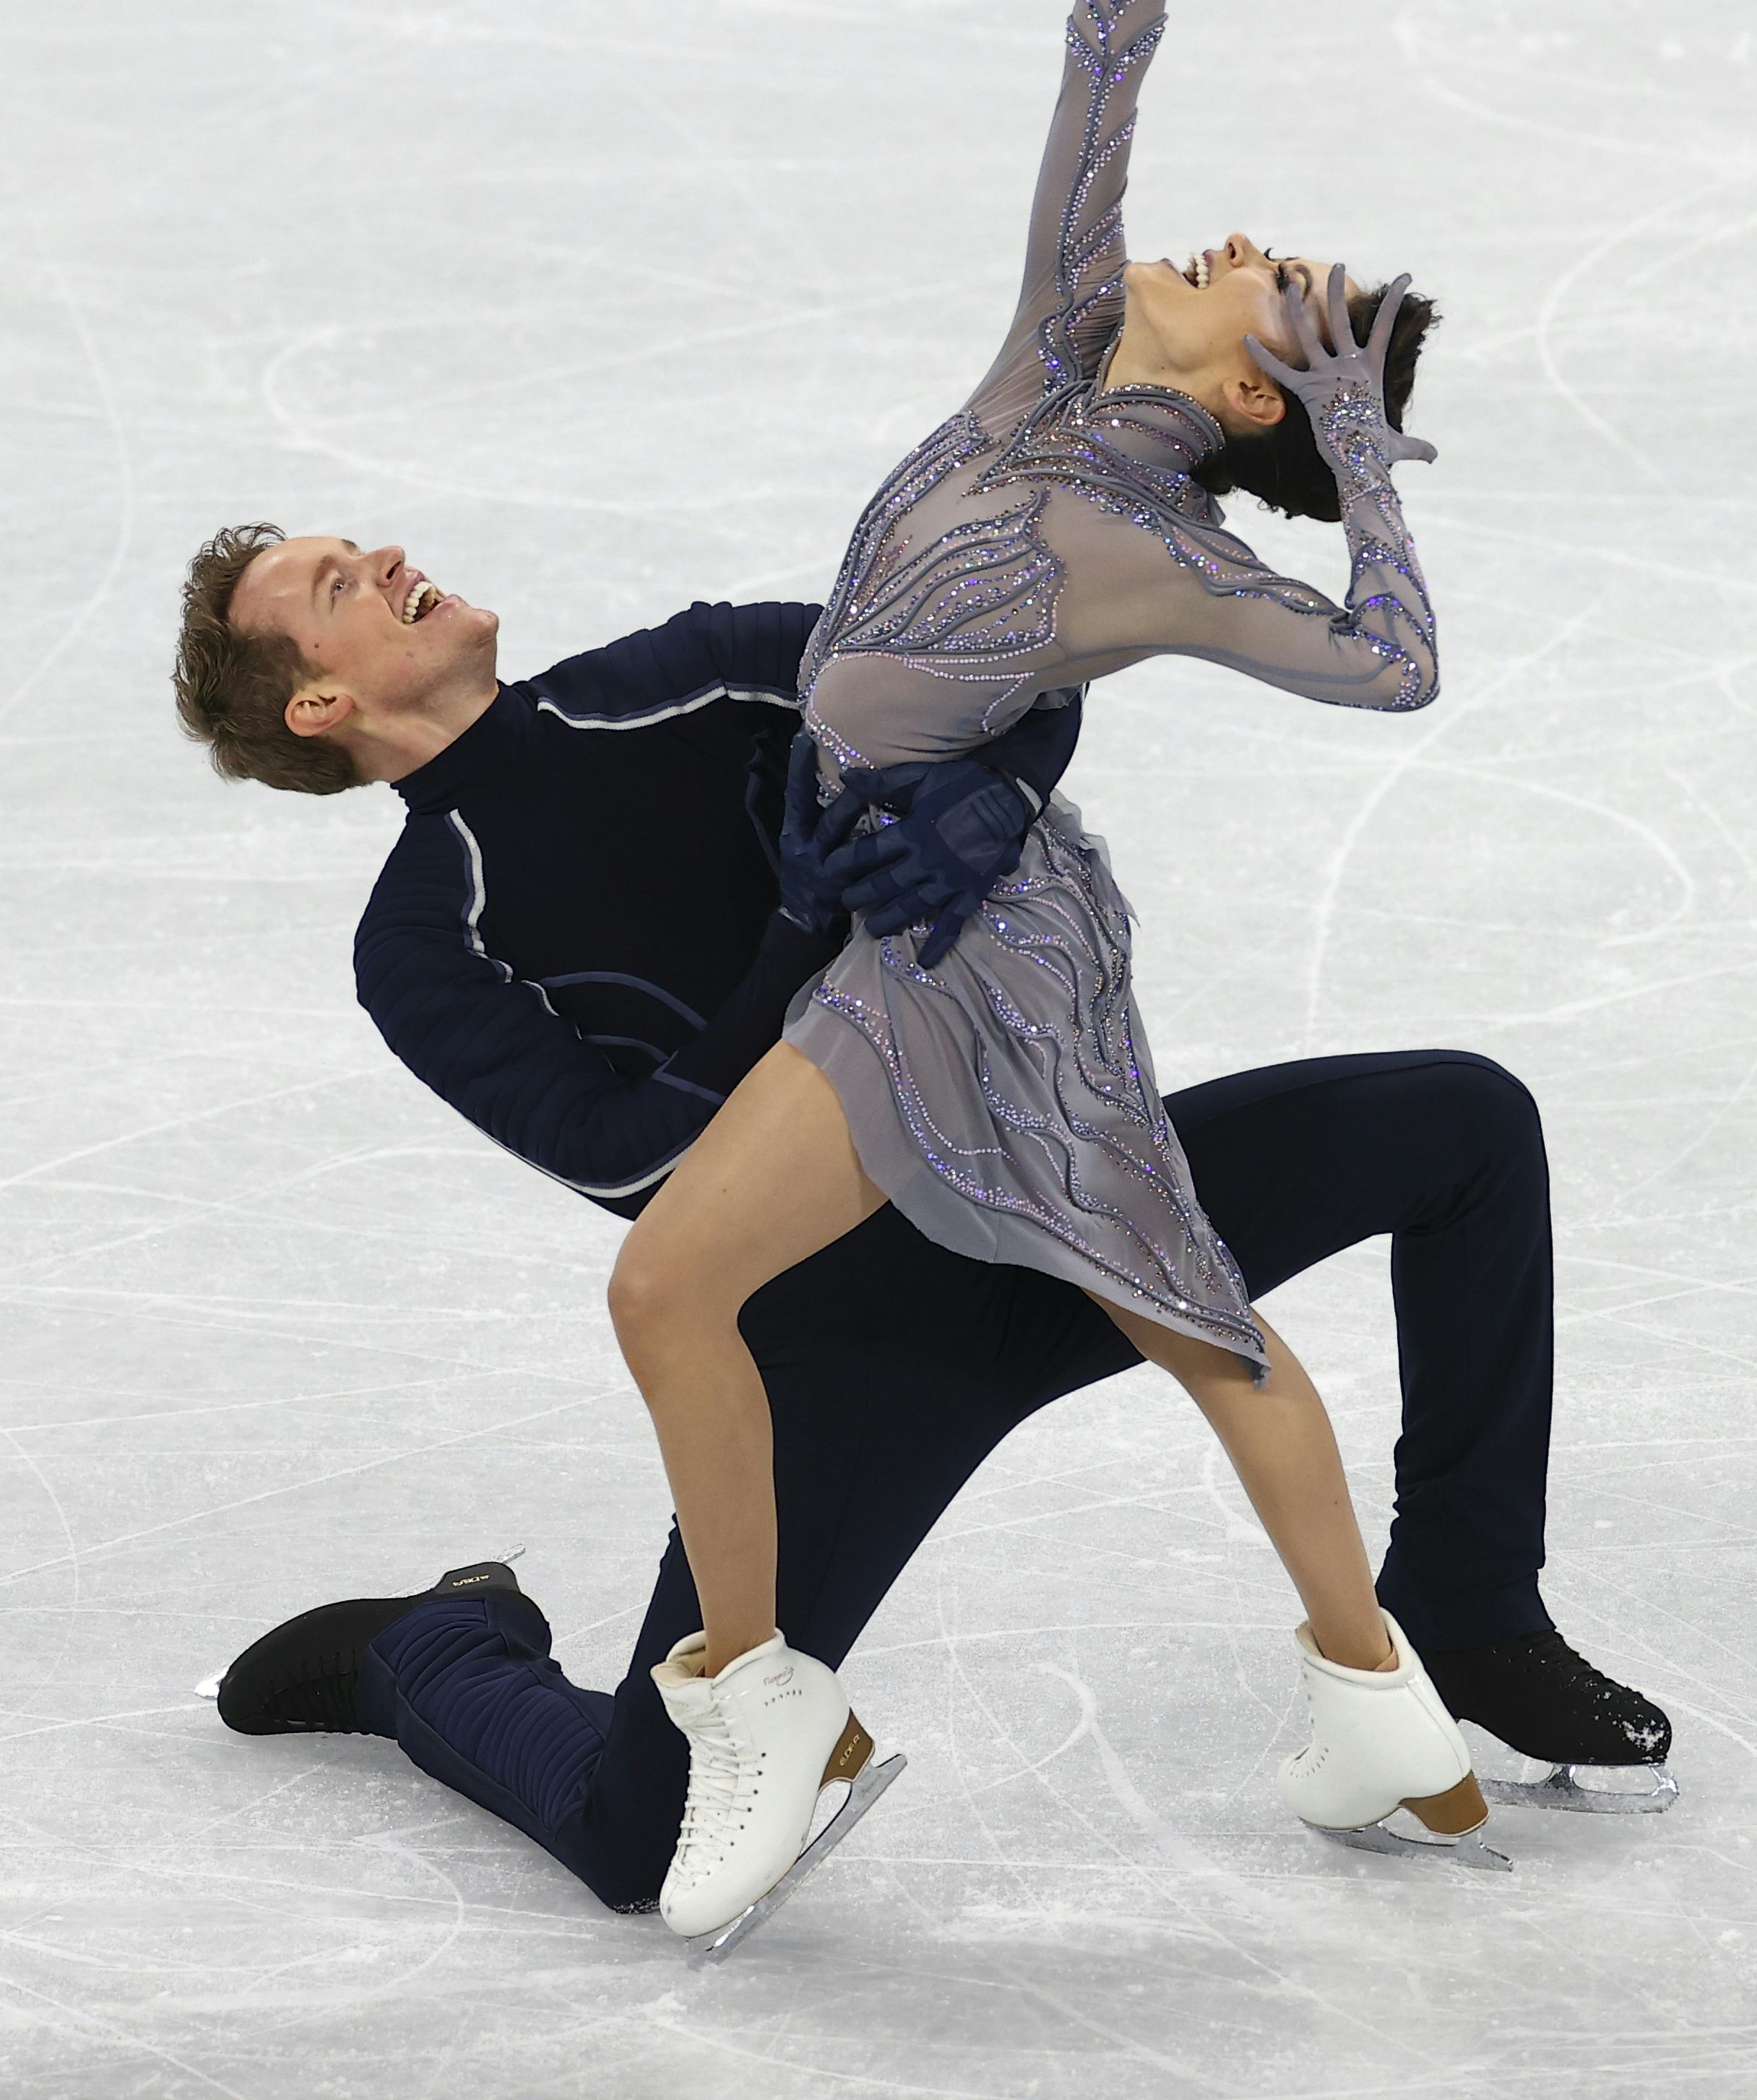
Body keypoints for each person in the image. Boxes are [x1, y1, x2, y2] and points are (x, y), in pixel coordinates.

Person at [581, 0, 1589, 1943]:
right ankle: (1375, 1706)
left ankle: (759, 1700)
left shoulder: (1145, 550)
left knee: (720, 1296)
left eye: (1277, 279)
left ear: (1254, 394)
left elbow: (1392, 671)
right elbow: (1103, 59)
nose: (1236, 240)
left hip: (959, 956)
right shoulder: (1050, 357)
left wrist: (1362, 441)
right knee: (1187, 1305)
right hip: (956, 919)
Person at [172, 553, 1672, 1953]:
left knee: (1464, 1125)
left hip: (1057, 1199)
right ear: (320, 702)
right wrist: (789, 942)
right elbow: (627, 1156)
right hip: (847, 1351)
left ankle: (1469, 1612)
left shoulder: (698, 672)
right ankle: (433, 1651)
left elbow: (1014, 666)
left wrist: (993, 800)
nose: (378, 560)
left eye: (360, 546)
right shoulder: (422, 942)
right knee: (640, 1841)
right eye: (329, 583)